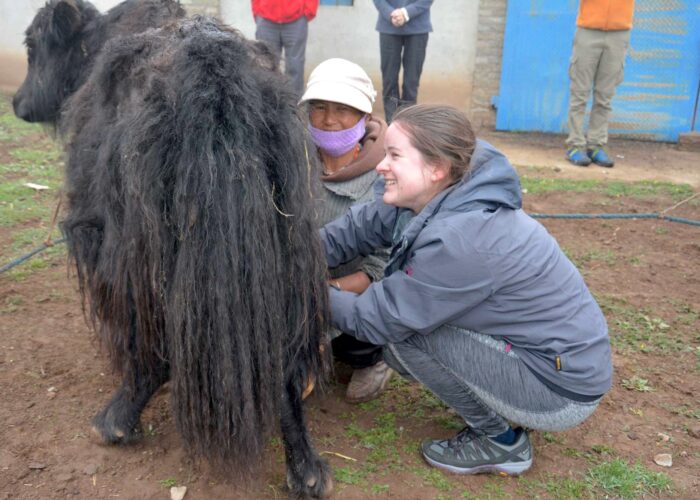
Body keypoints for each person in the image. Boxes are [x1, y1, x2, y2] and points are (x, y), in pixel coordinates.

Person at [321, 104, 612, 475]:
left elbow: (378, 319)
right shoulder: (435, 190)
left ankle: (500, 442)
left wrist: (303, 288)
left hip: (559, 389)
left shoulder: (464, 238)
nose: (381, 164)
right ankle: (501, 401)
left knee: (402, 338)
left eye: (394, 155)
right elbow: (356, 229)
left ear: (437, 167)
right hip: (544, 357)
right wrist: (290, 256)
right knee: (410, 327)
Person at [299, 58, 393, 403]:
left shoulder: (386, 175)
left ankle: (371, 359)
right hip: (296, 284)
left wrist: (324, 293)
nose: (329, 119)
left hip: (349, 291)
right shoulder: (293, 162)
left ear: (365, 117)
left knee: (361, 331)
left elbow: (381, 268)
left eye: (343, 109)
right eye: (319, 107)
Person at [565, 0, 635, 168]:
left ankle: (596, 146)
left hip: (619, 33)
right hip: (588, 31)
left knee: (605, 96)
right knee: (579, 94)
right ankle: (575, 146)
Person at [373, 0, 434, 123]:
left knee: (411, 83)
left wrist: (406, 13)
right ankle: (391, 125)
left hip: (418, 28)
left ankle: (407, 125)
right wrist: (391, 13)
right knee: (389, 81)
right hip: (388, 26)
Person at [252, 0, 319, 96]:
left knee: (295, 67)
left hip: (296, 19)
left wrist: (309, 9)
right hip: (266, 18)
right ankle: (268, 103)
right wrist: (257, 10)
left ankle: (295, 105)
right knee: (266, 66)